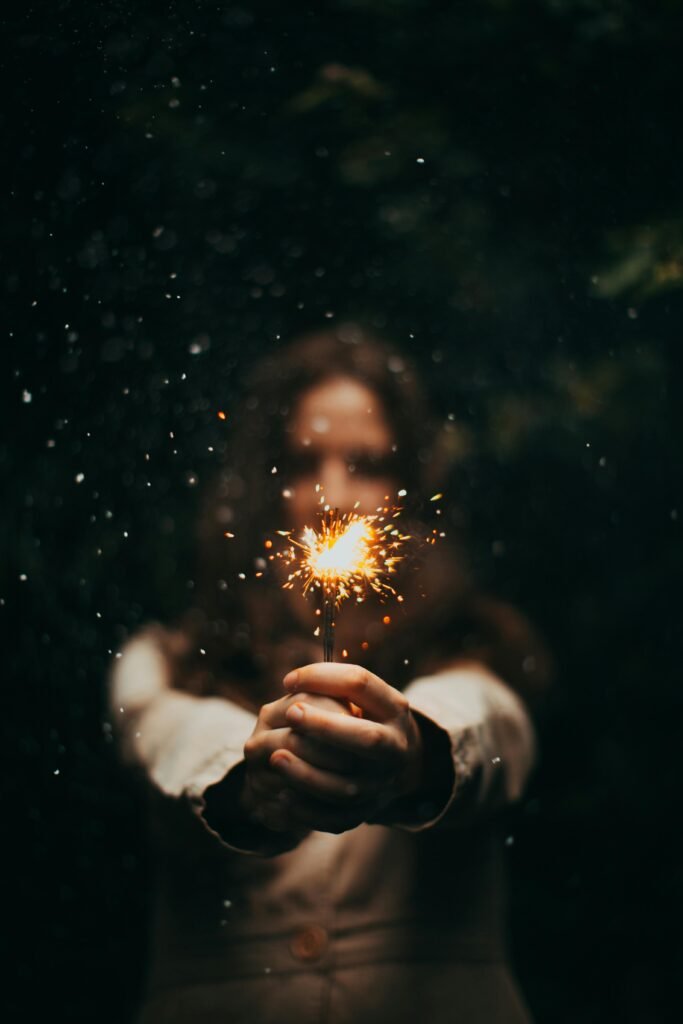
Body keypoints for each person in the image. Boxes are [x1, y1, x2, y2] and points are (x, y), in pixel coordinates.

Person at [110, 324, 551, 1023]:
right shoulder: (168, 661)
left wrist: (412, 750)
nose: (332, 494)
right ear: (263, 486)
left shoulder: (474, 645)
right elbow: (170, 738)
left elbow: (483, 720)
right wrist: (250, 779)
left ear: (409, 485)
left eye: (367, 462)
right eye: (301, 462)